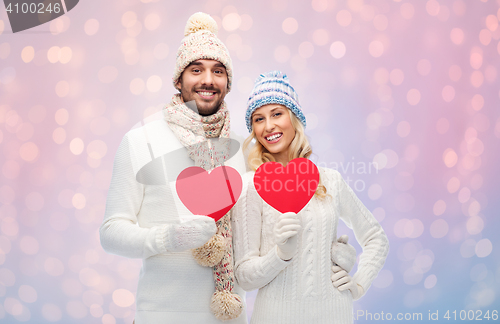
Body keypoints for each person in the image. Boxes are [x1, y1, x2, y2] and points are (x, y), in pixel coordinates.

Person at [100, 12, 247, 324]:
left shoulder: (242, 148)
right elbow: (110, 232)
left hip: (229, 317)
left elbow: (258, 234)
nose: (208, 79)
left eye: (218, 71)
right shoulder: (141, 140)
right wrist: (170, 238)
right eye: (196, 69)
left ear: (227, 83)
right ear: (179, 79)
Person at [232, 71, 389, 324]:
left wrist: (359, 283)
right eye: (258, 119)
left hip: (334, 315)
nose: (268, 126)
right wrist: (280, 254)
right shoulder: (251, 186)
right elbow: (244, 277)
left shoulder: (330, 180)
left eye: (277, 114)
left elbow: (376, 238)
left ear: (294, 119)